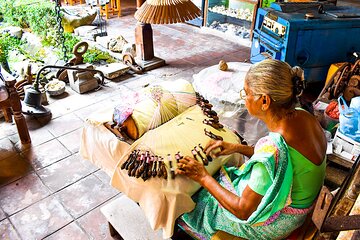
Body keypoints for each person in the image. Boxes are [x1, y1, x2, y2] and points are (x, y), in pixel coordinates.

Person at [176, 59, 327, 239]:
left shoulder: (272, 150)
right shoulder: (304, 116)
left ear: (264, 101)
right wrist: (237, 148)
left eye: (246, 93)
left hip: (282, 222)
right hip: (305, 203)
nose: (244, 97)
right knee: (225, 180)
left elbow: (243, 211)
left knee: (203, 206)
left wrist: (202, 176)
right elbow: (286, 160)